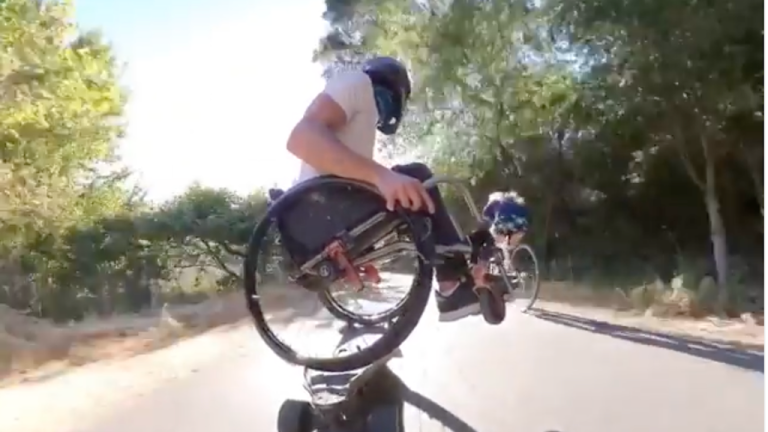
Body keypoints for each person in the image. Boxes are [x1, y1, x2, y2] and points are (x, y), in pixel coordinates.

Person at [285, 56, 503, 323]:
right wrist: (382, 176)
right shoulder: (357, 82)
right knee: (417, 177)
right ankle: (452, 281)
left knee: (408, 190)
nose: (384, 109)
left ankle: (455, 273)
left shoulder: (359, 131)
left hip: (327, 218)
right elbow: (300, 137)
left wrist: (362, 252)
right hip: (318, 212)